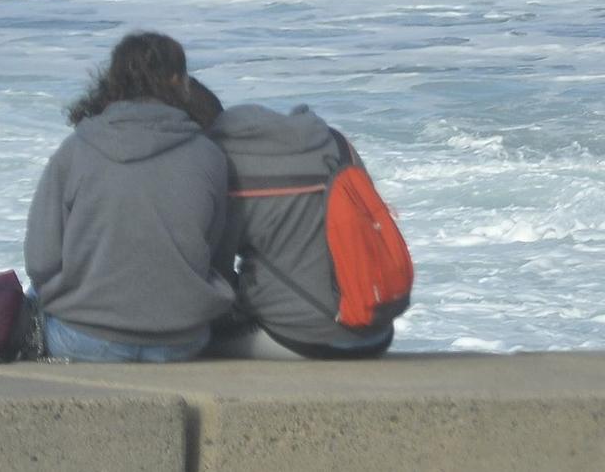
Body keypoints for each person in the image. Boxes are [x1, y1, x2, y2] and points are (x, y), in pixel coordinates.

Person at [24, 32, 234, 362]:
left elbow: (40, 261)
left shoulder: (75, 149)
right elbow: (217, 258)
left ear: (112, 82)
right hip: (181, 342)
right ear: (178, 81)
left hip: (84, 340)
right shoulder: (209, 156)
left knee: (30, 297)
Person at [204, 99, 403, 359]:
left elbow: (215, 275)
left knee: (193, 340)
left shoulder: (226, 167)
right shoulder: (337, 144)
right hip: (377, 331)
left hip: (303, 341)